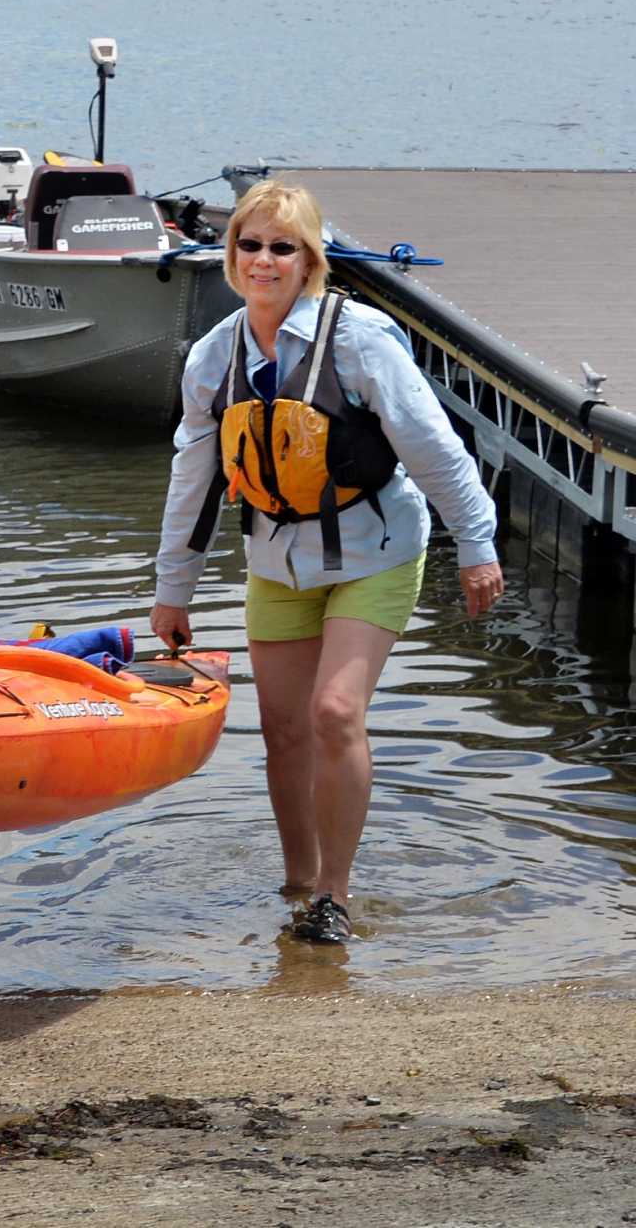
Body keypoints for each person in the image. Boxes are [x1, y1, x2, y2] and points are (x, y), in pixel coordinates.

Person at [150, 180, 502, 947]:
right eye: (250, 244)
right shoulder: (213, 359)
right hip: (278, 562)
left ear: (310, 260)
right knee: (283, 731)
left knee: (334, 712)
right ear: (229, 254)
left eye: (283, 247)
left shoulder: (359, 340)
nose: (264, 260)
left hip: (376, 551)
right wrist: (173, 590)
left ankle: (334, 896)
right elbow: (194, 479)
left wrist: (476, 543)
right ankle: (299, 885)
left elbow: (435, 450)